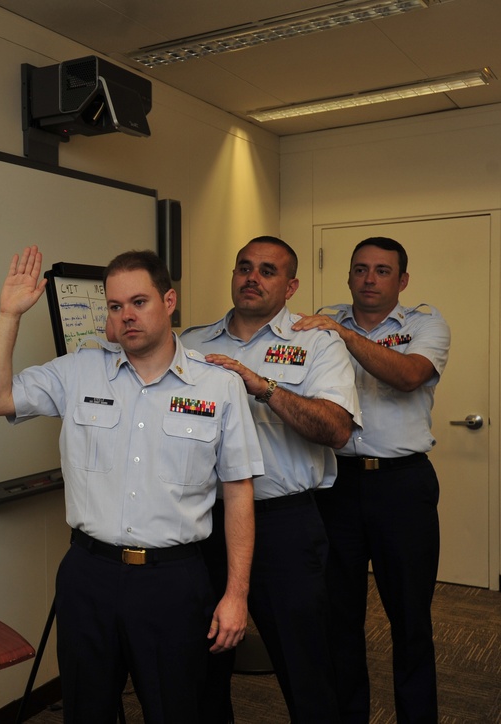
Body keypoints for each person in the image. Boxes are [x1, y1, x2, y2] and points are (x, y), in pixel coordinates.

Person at [0, 246, 261, 723]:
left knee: (178, 710)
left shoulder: (218, 386)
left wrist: (236, 595)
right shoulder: (78, 371)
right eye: (115, 306)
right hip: (90, 574)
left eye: (139, 302)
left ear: (169, 301)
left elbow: (238, 493)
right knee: (87, 711)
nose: (126, 316)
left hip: (173, 582)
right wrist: (9, 314)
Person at [180, 236, 360, 723]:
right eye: (244, 267)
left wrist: (262, 386)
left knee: (306, 667)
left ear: (290, 285)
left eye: (267, 270)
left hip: (284, 525)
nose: (252, 278)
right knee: (202, 668)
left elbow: (337, 429)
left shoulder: (316, 343)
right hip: (205, 525)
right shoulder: (191, 346)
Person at [294, 237, 449, 723]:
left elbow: (408, 376)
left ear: (402, 281)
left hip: (401, 487)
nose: (369, 279)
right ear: (348, 277)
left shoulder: (425, 324)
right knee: (338, 619)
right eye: (360, 269)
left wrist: (342, 337)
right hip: (335, 484)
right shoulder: (319, 320)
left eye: (383, 271)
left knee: (409, 621)